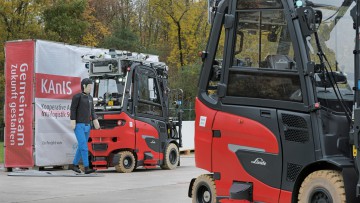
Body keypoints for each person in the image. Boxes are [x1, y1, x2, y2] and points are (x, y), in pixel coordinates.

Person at [69, 78, 100, 174]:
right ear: (84, 86)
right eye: (89, 86)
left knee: (81, 146)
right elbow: (73, 109)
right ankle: (86, 167)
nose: (91, 88)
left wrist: (95, 120)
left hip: (87, 126)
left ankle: (74, 165)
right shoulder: (77, 97)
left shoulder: (90, 98)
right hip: (78, 125)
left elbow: (92, 111)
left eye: (91, 86)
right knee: (84, 146)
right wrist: (73, 120)